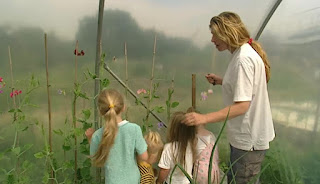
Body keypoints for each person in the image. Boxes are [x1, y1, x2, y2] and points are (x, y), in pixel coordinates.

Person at [183, 11, 275, 184]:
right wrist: (223, 81)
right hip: (246, 138)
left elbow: (242, 106)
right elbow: (247, 88)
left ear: (227, 33)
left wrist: (204, 118)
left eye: (214, 34)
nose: (212, 40)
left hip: (248, 140)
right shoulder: (241, 54)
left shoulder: (243, 59)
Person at [85, 89, 148, 184]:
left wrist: (90, 139)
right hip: (133, 180)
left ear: (100, 111)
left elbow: (96, 161)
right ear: (123, 107)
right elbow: (144, 157)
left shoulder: (97, 135)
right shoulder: (134, 129)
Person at [156, 111, 197, 184]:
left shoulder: (169, 148)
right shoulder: (192, 145)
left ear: (173, 129)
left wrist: (158, 182)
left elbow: (164, 170)